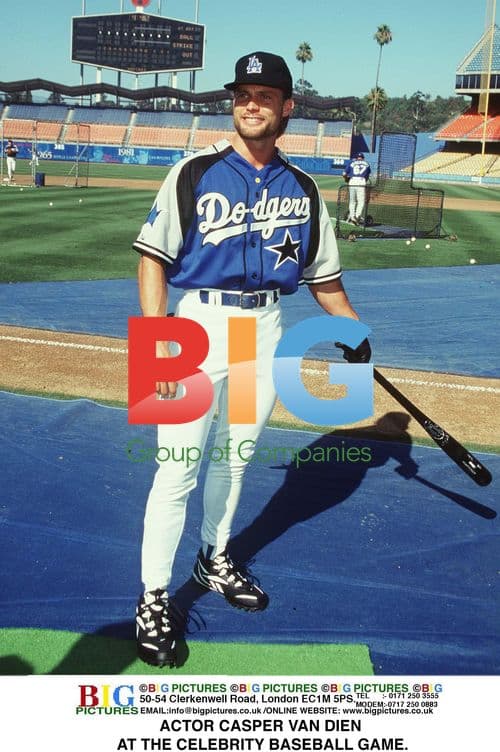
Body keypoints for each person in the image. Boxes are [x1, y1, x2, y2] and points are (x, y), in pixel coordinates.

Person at [132, 50, 371, 667]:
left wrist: (351, 329)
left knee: (235, 460)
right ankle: (154, 597)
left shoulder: (305, 188)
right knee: (176, 466)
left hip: (262, 329)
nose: (251, 103)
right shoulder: (192, 171)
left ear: (287, 107)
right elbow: (152, 259)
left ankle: (214, 558)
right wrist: (155, 340)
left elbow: (324, 279)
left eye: (265, 95)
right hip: (195, 325)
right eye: (243, 93)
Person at [343, 151, 371, 224]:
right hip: (361, 181)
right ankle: (357, 216)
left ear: (356, 158)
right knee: (361, 201)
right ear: (363, 158)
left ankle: (352, 217)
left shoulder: (352, 163)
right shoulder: (367, 164)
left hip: (352, 181)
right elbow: (367, 175)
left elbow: (344, 174)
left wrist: (346, 179)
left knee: (352, 201)